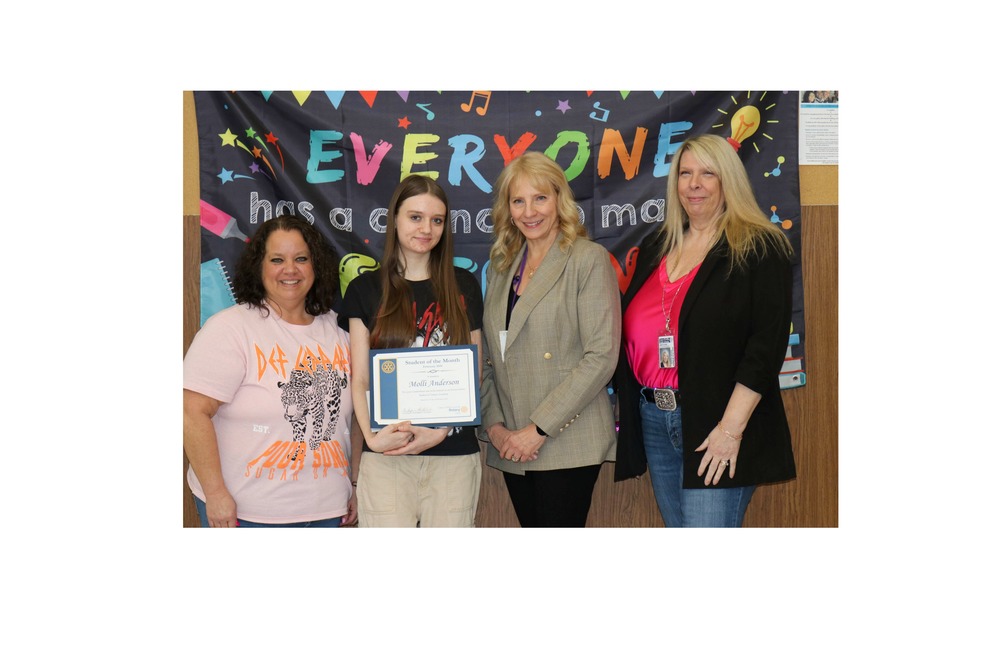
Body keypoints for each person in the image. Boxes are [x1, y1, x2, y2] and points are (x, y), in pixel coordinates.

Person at [613, 133, 796, 527]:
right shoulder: (657, 244)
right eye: (685, 173)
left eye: (707, 174)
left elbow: (764, 350)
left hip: (718, 424)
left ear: (728, 180)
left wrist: (730, 431)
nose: (693, 184)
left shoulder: (760, 246)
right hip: (654, 418)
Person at [183, 214, 358, 527]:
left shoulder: (340, 330)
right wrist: (216, 492)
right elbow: (191, 412)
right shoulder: (230, 328)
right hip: (245, 514)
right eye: (277, 259)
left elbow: (353, 417)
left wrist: (354, 484)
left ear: (316, 266)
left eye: (301, 259)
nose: (289, 269)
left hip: (328, 511)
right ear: (259, 267)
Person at [480, 152, 621, 527]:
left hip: (565, 441)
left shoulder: (587, 260)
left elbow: (601, 358)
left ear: (560, 199)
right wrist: (495, 428)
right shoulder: (501, 268)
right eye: (518, 200)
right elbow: (490, 359)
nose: (530, 211)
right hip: (511, 443)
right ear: (508, 209)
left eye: (540, 197)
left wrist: (537, 429)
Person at [341, 175, 484, 527]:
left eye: (437, 220)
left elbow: (473, 372)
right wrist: (374, 441)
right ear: (395, 219)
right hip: (387, 456)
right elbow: (359, 378)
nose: (426, 229)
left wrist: (440, 431)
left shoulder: (463, 284)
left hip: (453, 455)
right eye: (415, 217)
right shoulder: (364, 288)